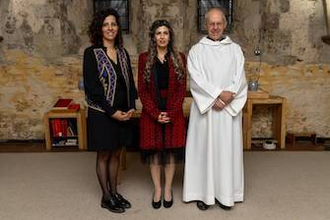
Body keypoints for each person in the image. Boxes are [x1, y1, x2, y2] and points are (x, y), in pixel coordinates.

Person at [183, 8, 247, 211]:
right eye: (212, 23)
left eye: (219, 23)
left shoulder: (235, 49)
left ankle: (226, 194)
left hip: (227, 111)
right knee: (204, 151)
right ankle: (203, 194)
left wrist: (229, 97)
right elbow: (195, 79)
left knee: (226, 152)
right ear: (206, 24)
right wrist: (216, 96)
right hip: (207, 110)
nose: (215, 27)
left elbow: (240, 78)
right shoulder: (196, 50)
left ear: (225, 24)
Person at [83, 8, 137, 213]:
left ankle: (114, 192)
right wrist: (111, 111)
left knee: (116, 153)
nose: (110, 28)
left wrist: (131, 106)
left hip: (123, 113)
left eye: (113, 24)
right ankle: (106, 196)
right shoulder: (92, 54)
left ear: (118, 28)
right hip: (101, 113)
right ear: (99, 28)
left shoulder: (122, 53)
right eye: (106, 24)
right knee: (104, 155)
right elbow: (93, 89)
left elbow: (129, 83)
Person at [138, 20, 186, 209]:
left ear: (170, 36)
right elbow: (142, 90)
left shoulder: (180, 57)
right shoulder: (144, 59)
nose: (162, 36)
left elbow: (182, 90)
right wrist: (155, 113)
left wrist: (171, 113)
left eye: (166, 33)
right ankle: (157, 189)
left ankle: (168, 189)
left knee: (171, 154)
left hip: (173, 110)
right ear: (153, 36)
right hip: (152, 111)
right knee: (155, 154)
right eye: (158, 33)